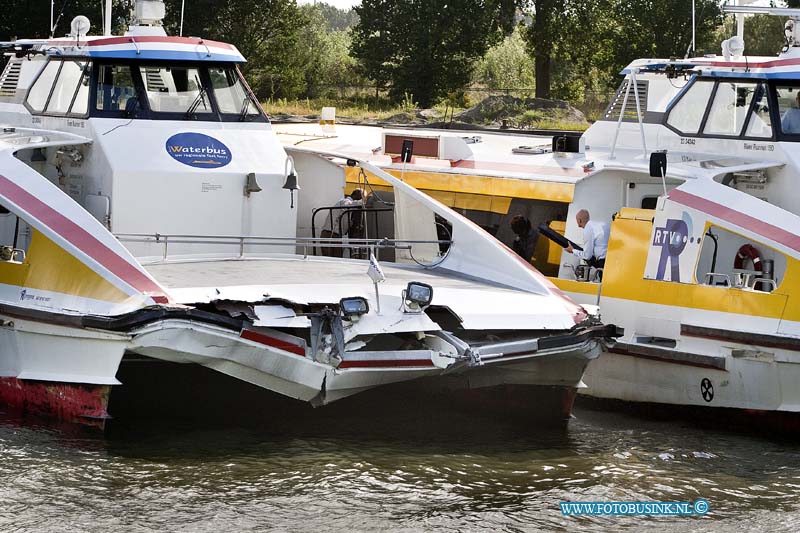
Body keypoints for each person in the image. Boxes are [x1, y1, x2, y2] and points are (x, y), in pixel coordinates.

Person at [320, 189, 364, 257]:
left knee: (333, 258)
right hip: (331, 234)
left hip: (332, 234)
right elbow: (347, 205)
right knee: (334, 259)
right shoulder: (345, 201)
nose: (362, 198)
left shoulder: (346, 205)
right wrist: (363, 202)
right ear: (357, 195)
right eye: (362, 196)